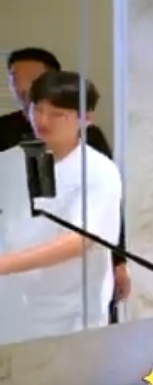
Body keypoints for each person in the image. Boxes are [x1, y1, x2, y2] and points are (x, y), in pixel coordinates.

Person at [0, 47, 132, 314]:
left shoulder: (96, 167)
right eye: (38, 110)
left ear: (85, 118)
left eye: (56, 114)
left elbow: (86, 235)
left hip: (72, 301)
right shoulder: (10, 158)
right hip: (17, 298)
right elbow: (25, 217)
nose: (43, 120)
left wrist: (119, 260)